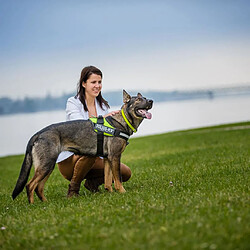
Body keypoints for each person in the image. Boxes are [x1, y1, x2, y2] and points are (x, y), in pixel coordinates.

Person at [56, 66, 132, 197]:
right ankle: (73, 190)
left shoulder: (103, 106)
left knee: (125, 172)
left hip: (94, 157)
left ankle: (92, 183)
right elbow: (81, 125)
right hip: (70, 160)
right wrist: (104, 118)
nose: (97, 86)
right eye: (93, 82)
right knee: (90, 151)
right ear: (84, 83)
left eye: (99, 82)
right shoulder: (73, 102)